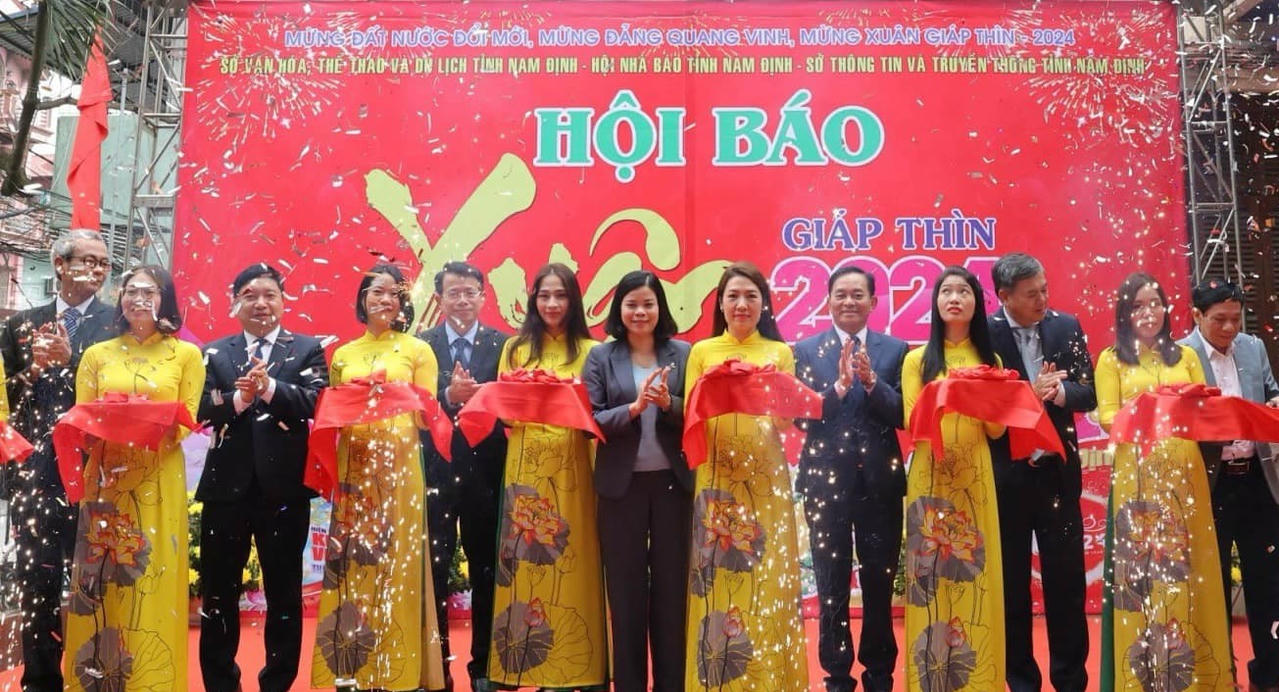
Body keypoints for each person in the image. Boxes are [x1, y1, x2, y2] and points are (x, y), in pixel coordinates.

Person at [63, 265, 206, 691]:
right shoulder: (97, 354)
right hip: (106, 480)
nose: (139, 298)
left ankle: (151, 681)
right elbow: (83, 421)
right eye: (131, 290)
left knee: (150, 578)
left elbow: (186, 422)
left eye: (150, 291)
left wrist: (136, 420)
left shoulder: (186, 355)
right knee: (101, 580)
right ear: (120, 298)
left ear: (165, 299)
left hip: (156, 480)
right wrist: (112, 422)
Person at [311, 263, 446, 691]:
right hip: (355, 471)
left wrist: (395, 395)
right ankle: (349, 666)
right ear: (362, 299)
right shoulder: (344, 355)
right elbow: (334, 410)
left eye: (393, 294)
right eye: (376, 292)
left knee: (398, 565)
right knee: (353, 566)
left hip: (400, 471)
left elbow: (426, 419)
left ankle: (399, 670)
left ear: (403, 303)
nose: (385, 300)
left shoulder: (418, 351)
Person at [1094, 272, 1231, 692]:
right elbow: (1107, 418)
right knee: (1143, 578)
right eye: (1137, 305)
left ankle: (1197, 676)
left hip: (1185, 474)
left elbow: (1204, 409)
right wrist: (1150, 408)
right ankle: (1145, 677)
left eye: (1154, 303)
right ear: (1124, 312)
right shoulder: (1111, 360)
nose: (1148, 312)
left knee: (1190, 574)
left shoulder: (1185, 356)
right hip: (1137, 477)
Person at [196, 264, 328, 692]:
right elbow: (201, 407)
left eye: (270, 295)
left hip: (285, 489)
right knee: (218, 592)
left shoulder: (306, 349)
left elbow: (315, 401)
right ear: (235, 302)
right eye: (249, 295)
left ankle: (277, 682)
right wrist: (240, 397)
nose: (260, 303)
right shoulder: (215, 352)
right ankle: (220, 683)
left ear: (283, 301)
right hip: (225, 490)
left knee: (284, 592)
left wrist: (270, 388)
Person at [683, 261, 808, 691]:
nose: (741, 304)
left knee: (766, 582)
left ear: (763, 304)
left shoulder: (779, 353)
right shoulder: (702, 352)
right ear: (720, 303)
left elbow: (785, 423)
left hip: (764, 480)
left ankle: (767, 681)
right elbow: (692, 417)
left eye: (751, 296)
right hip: (716, 479)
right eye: (733, 296)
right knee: (716, 580)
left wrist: (768, 391)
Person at [0, 229, 114, 692]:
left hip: (97, 472)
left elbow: (116, 394)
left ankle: (99, 676)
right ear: (60, 265)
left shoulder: (118, 324)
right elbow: (8, 399)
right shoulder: (20, 324)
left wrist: (72, 361)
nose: (97, 270)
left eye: (103, 263)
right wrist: (34, 369)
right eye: (88, 260)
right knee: (36, 585)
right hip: (35, 476)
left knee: (100, 583)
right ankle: (41, 680)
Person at [489, 262, 607, 690]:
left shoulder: (594, 351)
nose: (553, 304)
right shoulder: (516, 348)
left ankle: (579, 670)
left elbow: (598, 413)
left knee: (574, 560)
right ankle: (522, 666)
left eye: (561, 296)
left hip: (574, 465)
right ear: (533, 301)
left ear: (574, 301)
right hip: (525, 466)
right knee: (524, 561)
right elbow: (504, 414)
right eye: (545, 296)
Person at [793, 265, 908, 692]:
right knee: (831, 584)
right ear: (828, 300)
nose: (849, 301)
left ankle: (879, 675)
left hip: (880, 486)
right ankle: (837, 676)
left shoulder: (896, 350)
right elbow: (801, 418)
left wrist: (872, 383)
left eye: (858, 294)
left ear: (873, 302)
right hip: (826, 488)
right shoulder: (806, 350)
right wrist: (838, 389)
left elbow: (903, 414)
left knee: (879, 585)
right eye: (840, 294)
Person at [987, 253, 1093, 692]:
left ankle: (1070, 680)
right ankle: (1021, 681)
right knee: (1011, 587)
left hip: (1056, 476)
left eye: (1045, 289)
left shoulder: (1066, 326)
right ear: (1004, 296)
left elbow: (1088, 391)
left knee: (1067, 585)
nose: (1043, 300)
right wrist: (1027, 396)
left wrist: (1060, 392)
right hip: (1007, 479)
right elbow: (983, 405)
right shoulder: (984, 334)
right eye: (1032, 294)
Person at [583, 270, 692, 692]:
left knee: (671, 594)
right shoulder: (600, 357)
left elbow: (696, 412)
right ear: (620, 309)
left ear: (660, 308)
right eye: (632, 304)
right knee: (625, 596)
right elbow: (590, 419)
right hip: (620, 489)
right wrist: (633, 408)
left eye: (648, 304)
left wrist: (667, 404)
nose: (640, 312)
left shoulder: (683, 353)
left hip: (672, 487)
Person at [900, 266, 1006, 692]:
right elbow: (914, 424)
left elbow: (996, 430)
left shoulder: (990, 362)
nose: (955, 298)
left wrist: (977, 398)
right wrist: (952, 394)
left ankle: (979, 679)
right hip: (931, 476)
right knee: (930, 576)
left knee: (975, 575)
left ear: (977, 303)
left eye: (964, 291)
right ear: (936, 302)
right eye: (947, 291)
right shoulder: (918, 360)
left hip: (975, 475)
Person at [1179, 279, 1279, 692]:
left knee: (1268, 581)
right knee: (1212, 583)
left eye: (1236, 319)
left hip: (1257, 478)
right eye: (1219, 319)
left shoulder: (1253, 348)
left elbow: (1271, 391)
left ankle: (1270, 673)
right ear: (1197, 315)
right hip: (1209, 483)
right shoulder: (1180, 356)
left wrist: (1274, 404)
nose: (1229, 328)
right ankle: (1219, 675)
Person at [417, 261, 510, 692]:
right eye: (453, 293)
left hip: (487, 475)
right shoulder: (421, 345)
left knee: (487, 572)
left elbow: (510, 400)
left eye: (470, 292)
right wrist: (446, 395)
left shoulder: (504, 345)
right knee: (435, 571)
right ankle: (437, 669)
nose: (462, 300)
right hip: (435, 474)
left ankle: (484, 668)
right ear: (439, 299)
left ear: (483, 297)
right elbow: (415, 402)